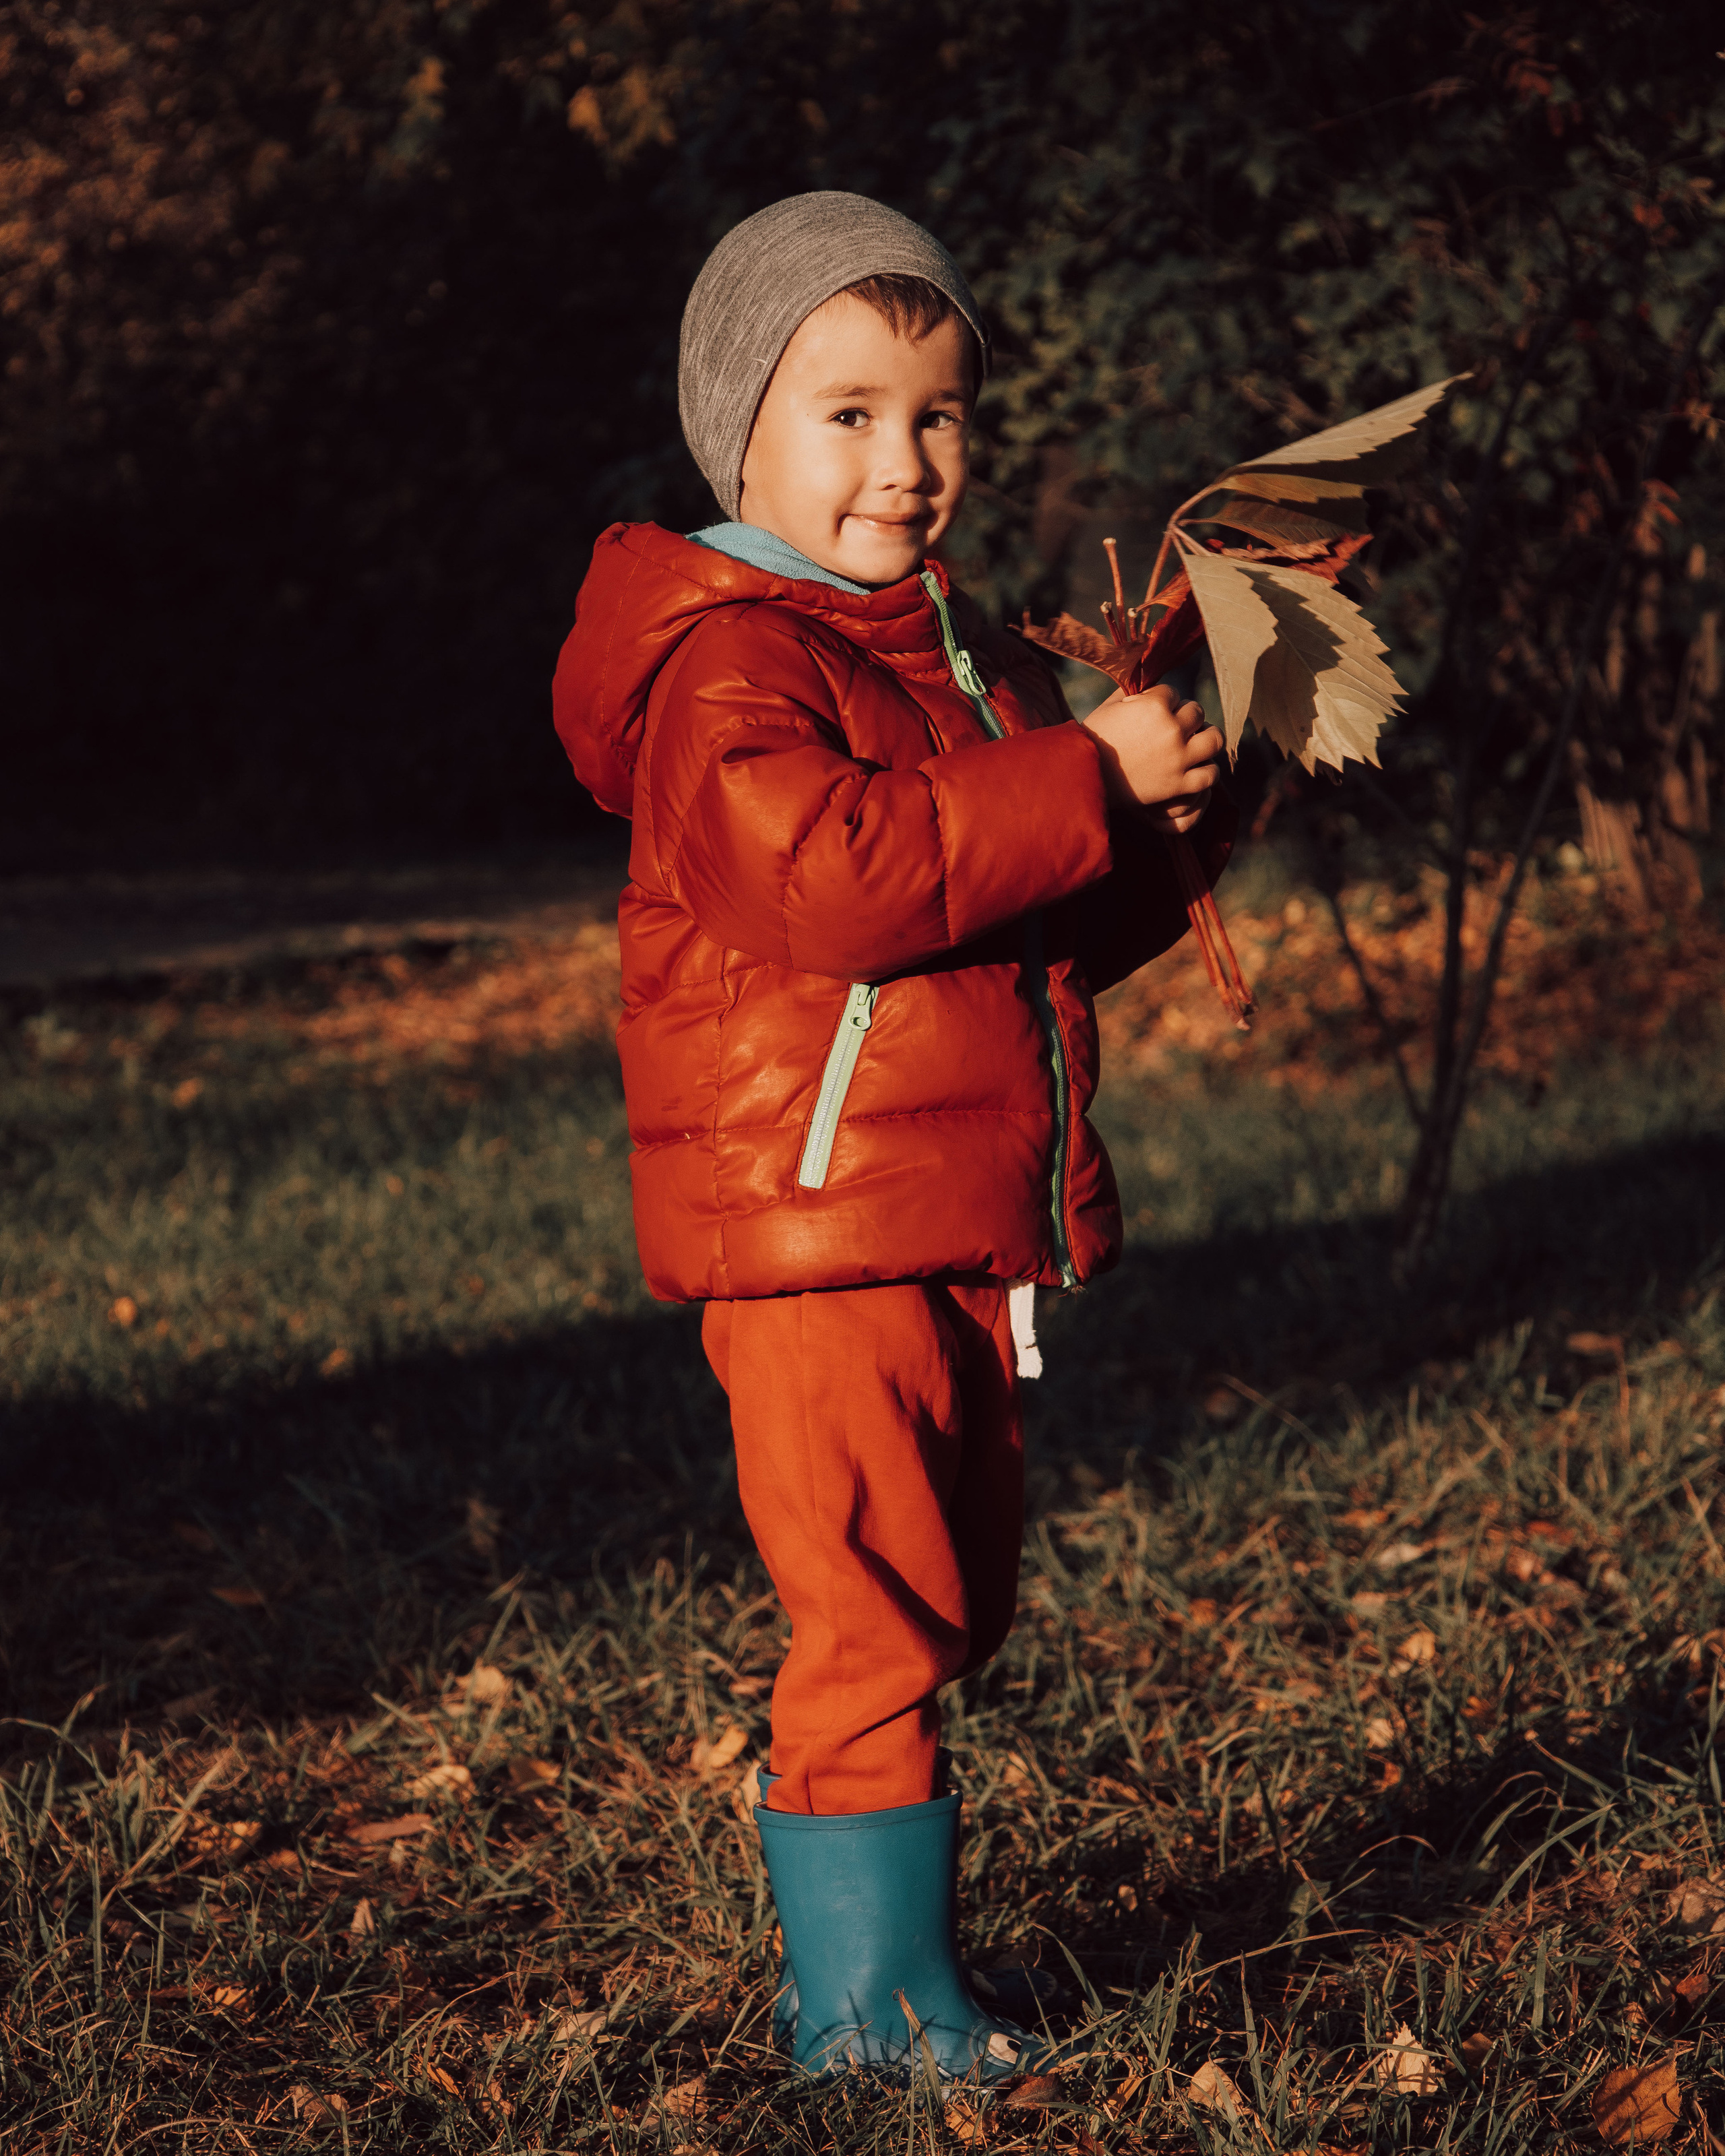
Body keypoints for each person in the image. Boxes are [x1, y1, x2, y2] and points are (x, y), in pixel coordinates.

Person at [553, 191, 1229, 2083]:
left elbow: (1028, 918)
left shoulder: (950, 667)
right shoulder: (729, 667)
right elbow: (838, 880)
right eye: (846, 412)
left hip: (945, 1214)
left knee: (951, 1589)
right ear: (737, 431)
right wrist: (1077, 774)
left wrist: (1170, 805)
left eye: (935, 414)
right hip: (816, 1217)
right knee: (871, 1602)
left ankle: (901, 1967)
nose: (903, 459)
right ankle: (865, 2011)